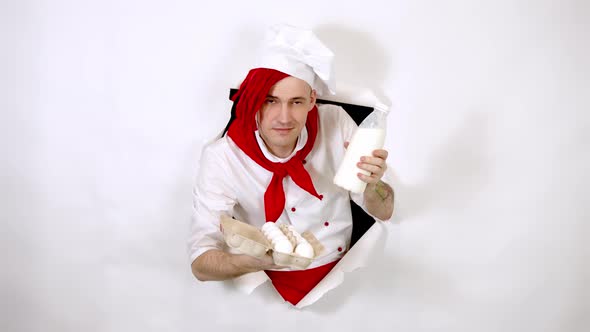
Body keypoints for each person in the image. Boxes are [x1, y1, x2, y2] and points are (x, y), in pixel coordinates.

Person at [188, 24, 394, 305]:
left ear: (312, 100)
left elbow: (384, 211)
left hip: (343, 270)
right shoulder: (223, 158)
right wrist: (252, 262)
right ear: (253, 101)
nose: (284, 118)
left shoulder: (336, 123)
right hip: (265, 284)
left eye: (296, 101)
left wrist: (374, 185)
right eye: (270, 101)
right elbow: (200, 263)